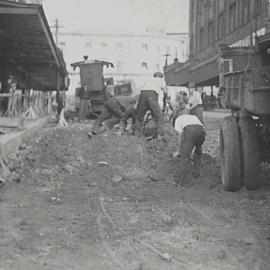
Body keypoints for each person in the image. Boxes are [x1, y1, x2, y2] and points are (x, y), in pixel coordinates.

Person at [172, 108, 205, 184]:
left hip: (190, 130)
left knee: (185, 156)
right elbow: (201, 129)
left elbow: (180, 137)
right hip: (201, 131)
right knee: (198, 151)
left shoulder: (178, 119)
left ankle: (180, 179)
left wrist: (179, 151)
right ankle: (196, 172)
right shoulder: (194, 117)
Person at [134, 72, 166, 138]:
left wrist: (137, 104)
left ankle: (137, 134)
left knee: (139, 115)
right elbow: (165, 91)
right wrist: (165, 99)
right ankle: (160, 134)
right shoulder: (161, 80)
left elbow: (141, 92)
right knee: (159, 116)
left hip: (143, 95)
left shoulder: (148, 80)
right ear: (161, 77)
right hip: (152, 95)